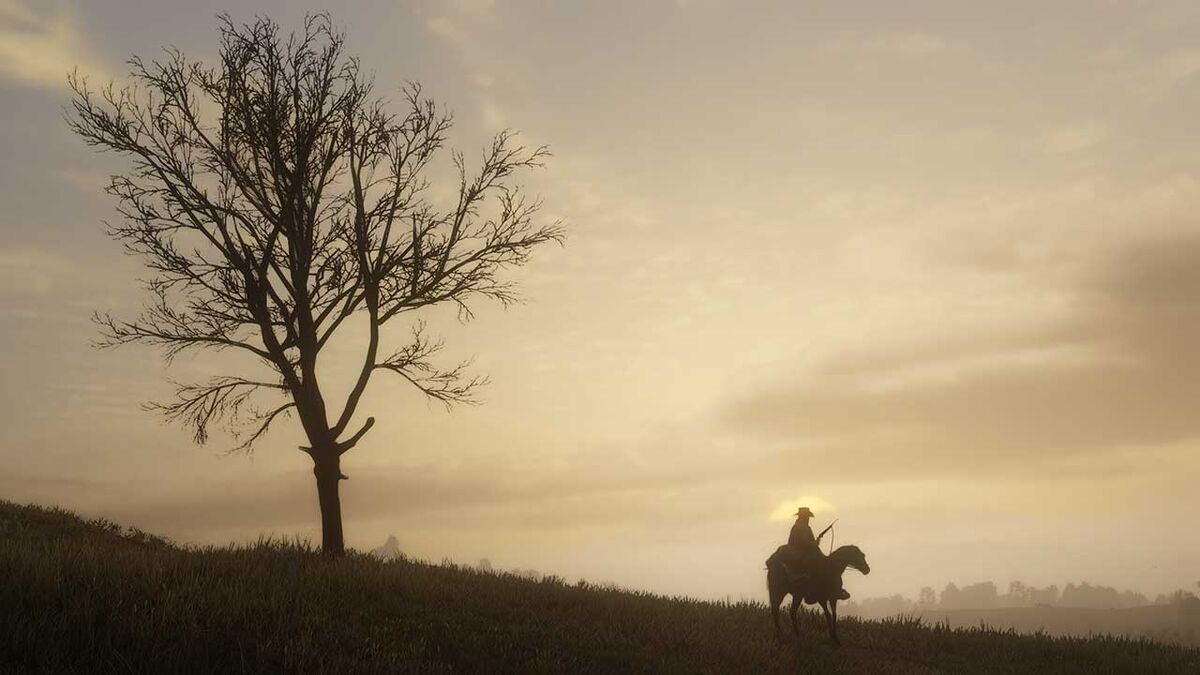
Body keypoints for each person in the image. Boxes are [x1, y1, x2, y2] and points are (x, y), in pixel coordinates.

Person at [785, 506, 850, 600]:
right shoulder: (800, 527)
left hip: (803, 551)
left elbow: (808, 541)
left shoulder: (803, 527)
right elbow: (804, 542)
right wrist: (815, 543)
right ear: (803, 517)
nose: (808, 519)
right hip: (800, 553)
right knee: (819, 563)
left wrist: (815, 543)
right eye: (806, 517)